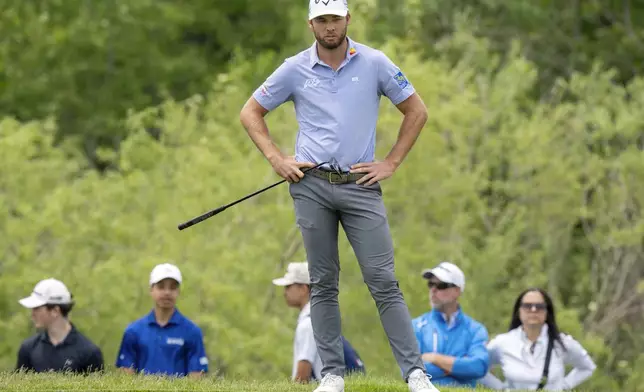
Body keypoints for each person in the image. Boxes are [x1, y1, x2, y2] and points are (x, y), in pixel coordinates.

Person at [239, 0, 438, 390]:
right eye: (322, 20)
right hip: (311, 186)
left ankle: (415, 374)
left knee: (383, 280)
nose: (329, 27)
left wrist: (392, 162)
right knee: (324, 283)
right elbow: (251, 112)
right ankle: (331, 375)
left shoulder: (376, 63)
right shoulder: (295, 68)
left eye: (335, 19)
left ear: (348, 19)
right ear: (311, 24)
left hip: (361, 185)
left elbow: (416, 111)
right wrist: (277, 159)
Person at [480, 288, 597, 391]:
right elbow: (477, 367)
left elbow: (587, 367)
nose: (533, 310)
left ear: (547, 312)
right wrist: (500, 388)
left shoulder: (562, 343)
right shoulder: (503, 342)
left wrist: (564, 386)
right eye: (527, 306)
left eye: (540, 307)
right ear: (519, 311)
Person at [272, 261, 366, 384]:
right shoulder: (319, 319)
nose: (285, 292)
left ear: (303, 289)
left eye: (288, 287)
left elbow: (303, 370)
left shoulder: (309, 324)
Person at [115, 263, 209, 378]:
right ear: (151, 290)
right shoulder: (133, 331)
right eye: (161, 286)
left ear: (178, 292)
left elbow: (196, 379)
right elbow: (125, 378)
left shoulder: (192, 332)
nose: (167, 292)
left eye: (173, 287)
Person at [412, 262, 489, 387]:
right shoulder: (416, 326)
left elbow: (478, 368)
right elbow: (411, 370)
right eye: (430, 284)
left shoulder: (476, 330)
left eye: (441, 285)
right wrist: (460, 366)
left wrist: (435, 359)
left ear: (457, 291)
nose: (433, 290)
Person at [15, 278, 104, 374]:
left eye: (36, 308)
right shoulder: (28, 348)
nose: (32, 314)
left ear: (55, 311)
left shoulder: (89, 352)